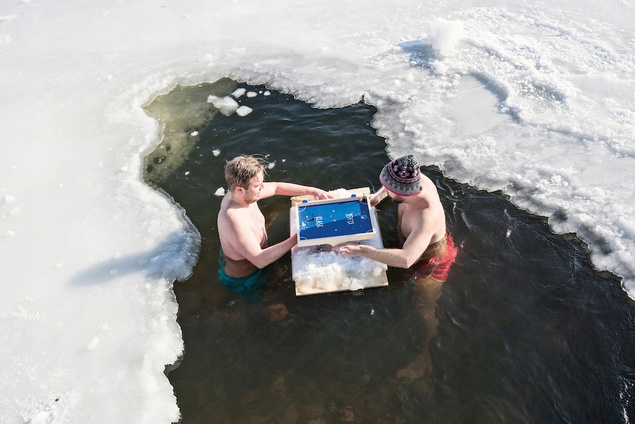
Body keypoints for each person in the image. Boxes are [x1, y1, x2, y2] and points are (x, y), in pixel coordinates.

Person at [333, 154, 458, 384]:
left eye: (389, 190)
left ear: (406, 192)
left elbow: (407, 260)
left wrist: (361, 250)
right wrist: (378, 197)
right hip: (409, 245)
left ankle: (427, 353)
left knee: (424, 307)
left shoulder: (426, 216)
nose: (386, 190)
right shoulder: (414, 178)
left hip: (430, 262)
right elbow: (392, 188)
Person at [217, 155, 331, 292]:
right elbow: (259, 260)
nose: (263, 188)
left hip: (247, 254)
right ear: (239, 190)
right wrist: (299, 236)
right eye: (258, 186)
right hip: (247, 279)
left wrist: (313, 191)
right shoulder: (233, 219)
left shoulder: (244, 197)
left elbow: (276, 188)